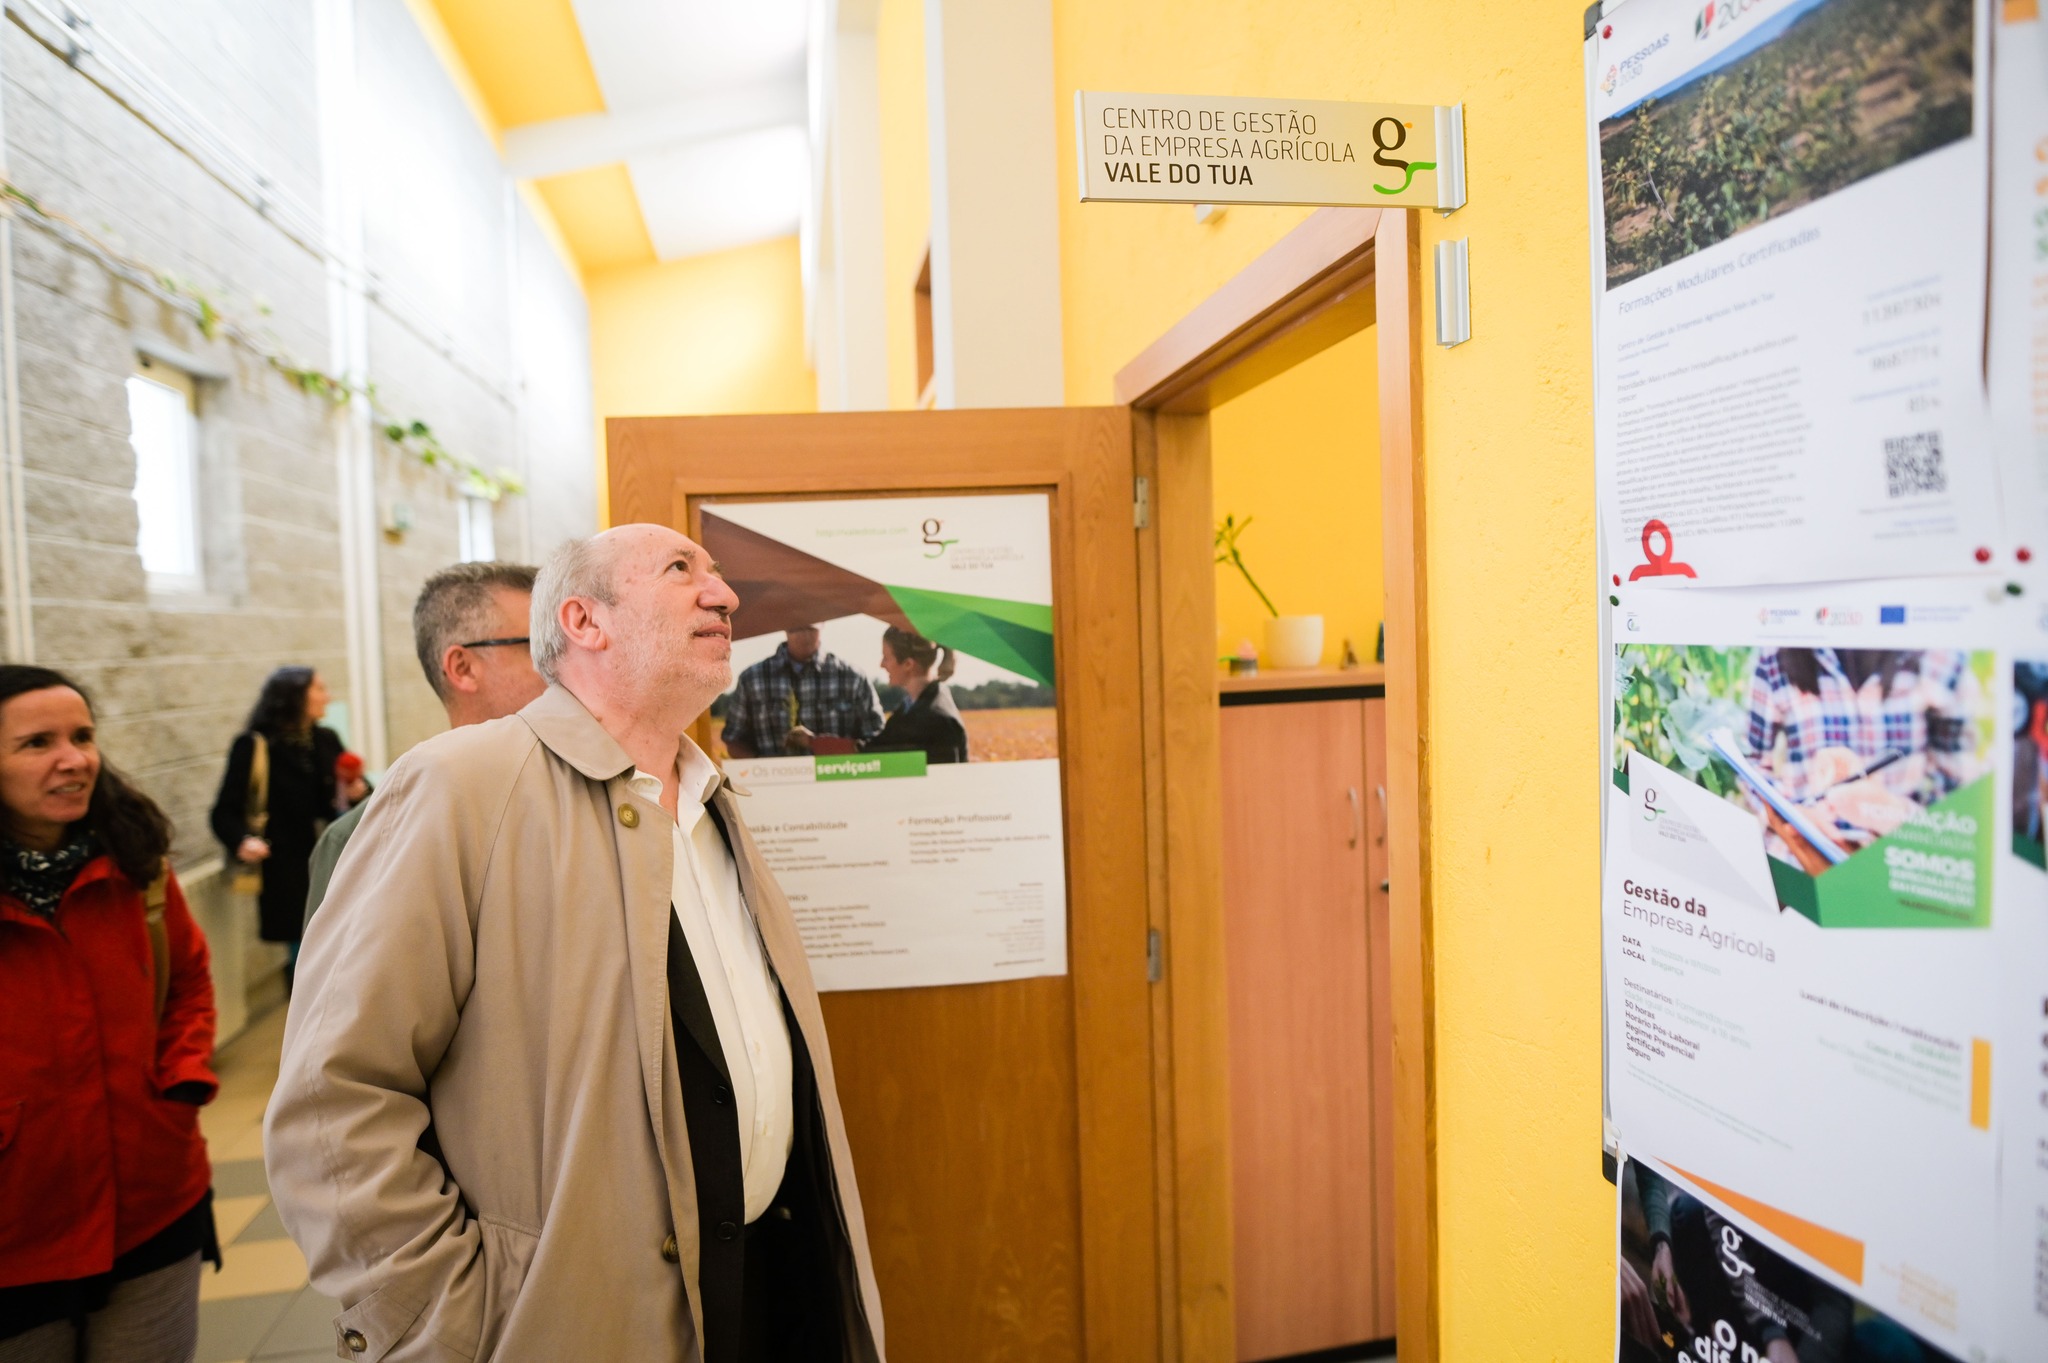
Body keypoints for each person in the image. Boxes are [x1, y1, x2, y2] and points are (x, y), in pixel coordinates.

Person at [265, 525, 885, 1362]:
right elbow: (333, 1100)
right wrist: (445, 1320)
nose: (725, 593)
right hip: (571, 1325)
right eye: (680, 569)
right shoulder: (457, 786)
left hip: (769, 1284)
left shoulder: (710, 798)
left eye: (716, 571)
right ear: (584, 621)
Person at [0, 665, 220, 1362]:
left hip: (152, 1201)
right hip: (17, 1235)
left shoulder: (135, 863)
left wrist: (178, 1081)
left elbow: (188, 979)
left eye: (83, 736)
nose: (74, 759)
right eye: (37, 743)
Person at [302, 561, 545, 930]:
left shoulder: (590, 799)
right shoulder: (365, 841)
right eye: (539, 645)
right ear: (463, 668)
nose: (564, 666)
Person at [208, 667, 367, 981]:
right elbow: (223, 812)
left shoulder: (325, 738)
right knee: (306, 954)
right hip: (287, 868)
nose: (327, 697)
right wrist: (243, 841)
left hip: (334, 858)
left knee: (342, 946)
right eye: (318, 689)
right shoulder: (255, 745)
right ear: (294, 696)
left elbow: (350, 795)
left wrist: (357, 791)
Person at [721, 624, 883, 758]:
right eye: (797, 627)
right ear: (784, 626)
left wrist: (819, 744)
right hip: (773, 784)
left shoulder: (853, 678)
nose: (804, 634)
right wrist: (762, 769)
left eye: (811, 626)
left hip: (839, 781)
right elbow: (734, 738)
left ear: (823, 623)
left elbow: (876, 740)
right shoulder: (752, 679)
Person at [866, 626, 968, 764]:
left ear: (908, 664)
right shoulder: (911, 706)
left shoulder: (938, 719)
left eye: (886, 657)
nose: (881, 665)